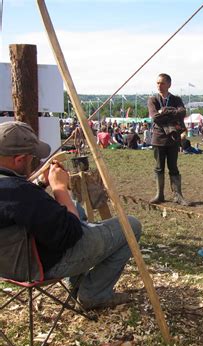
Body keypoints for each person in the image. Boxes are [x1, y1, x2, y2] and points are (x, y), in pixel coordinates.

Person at [0, 121, 142, 310]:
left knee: (77, 208)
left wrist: (41, 184)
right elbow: (71, 233)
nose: (34, 161)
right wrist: (59, 188)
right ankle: (93, 295)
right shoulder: (20, 192)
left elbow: (17, 209)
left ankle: (76, 283)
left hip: (7, 263)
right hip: (38, 265)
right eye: (31, 158)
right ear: (18, 159)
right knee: (130, 225)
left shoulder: (13, 190)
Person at [147, 73, 192, 206]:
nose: (159, 86)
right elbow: (155, 117)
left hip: (173, 138)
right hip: (158, 138)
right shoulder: (152, 99)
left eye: (162, 83)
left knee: (173, 167)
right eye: (157, 83)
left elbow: (182, 112)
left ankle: (178, 196)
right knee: (159, 168)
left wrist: (165, 111)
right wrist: (172, 113)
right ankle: (159, 194)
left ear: (169, 84)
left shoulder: (176, 99)